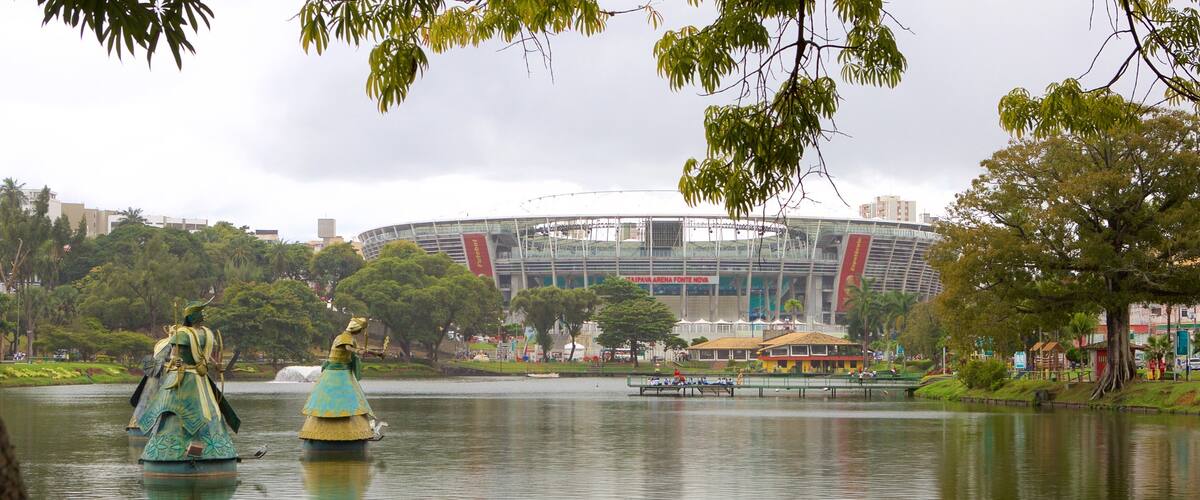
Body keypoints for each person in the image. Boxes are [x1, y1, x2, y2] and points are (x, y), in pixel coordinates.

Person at [137, 299, 240, 473]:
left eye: (203, 312)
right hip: (183, 378)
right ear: (191, 316)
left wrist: (216, 366)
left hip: (201, 379)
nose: (203, 315)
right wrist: (173, 361)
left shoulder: (207, 333)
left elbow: (205, 355)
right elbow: (172, 355)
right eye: (199, 312)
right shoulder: (182, 334)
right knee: (174, 410)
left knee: (213, 410)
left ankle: (215, 450)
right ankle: (172, 452)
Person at [299, 317, 386, 447]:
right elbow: (348, 348)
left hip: (341, 373)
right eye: (360, 329)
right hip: (336, 373)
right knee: (337, 404)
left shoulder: (347, 338)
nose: (360, 332)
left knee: (351, 404)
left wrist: (377, 354)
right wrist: (357, 351)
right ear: (355, 328)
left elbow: (358, 350)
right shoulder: (345, 338)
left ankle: (358, 433)